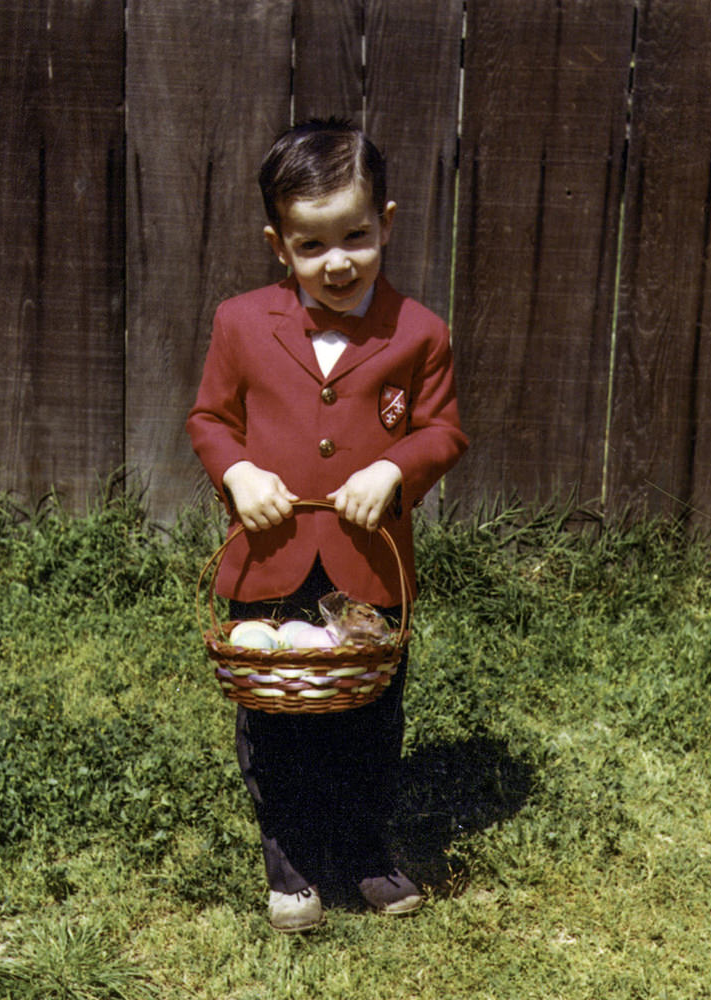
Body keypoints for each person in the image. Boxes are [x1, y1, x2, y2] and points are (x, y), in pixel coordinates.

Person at [186, 118, 467, 932]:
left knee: (370, 715)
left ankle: (366, 849)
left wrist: (394, 468)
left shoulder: (419, 332)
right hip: (268, 557)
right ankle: (292, 858)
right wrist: (238, 473)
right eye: (312, 246)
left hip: (366, 563)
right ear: (280, 246)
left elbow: (442, 431)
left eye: (354, 235)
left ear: (386, 221)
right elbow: (210, 419)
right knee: (273, 716)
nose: (337, 261)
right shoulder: (241, 322)